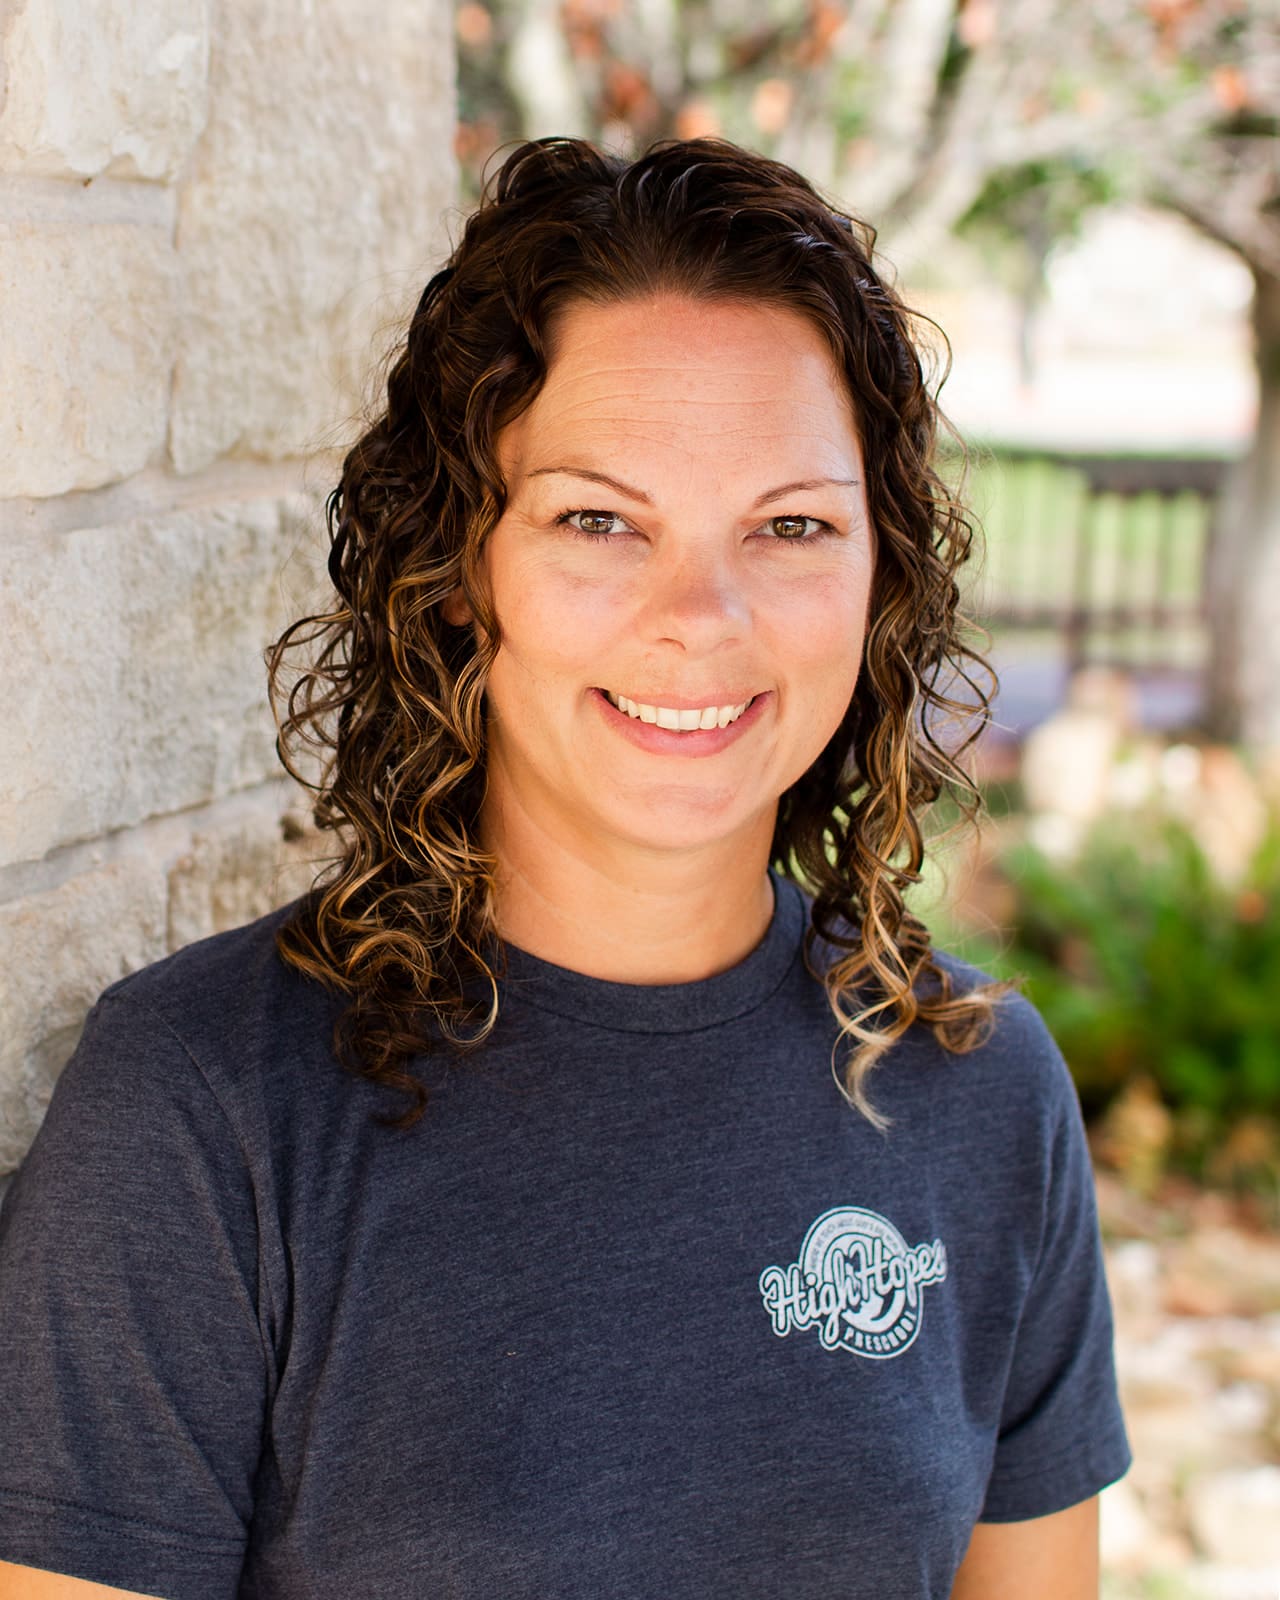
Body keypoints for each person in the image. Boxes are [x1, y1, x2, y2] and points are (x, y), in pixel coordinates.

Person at [0, 137, 1129, 1600]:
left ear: (881, 570)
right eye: (600, 519)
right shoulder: (202, 1112)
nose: (699, 616)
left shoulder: (979, 1094)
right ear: (463, 567)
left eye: (791, 525)